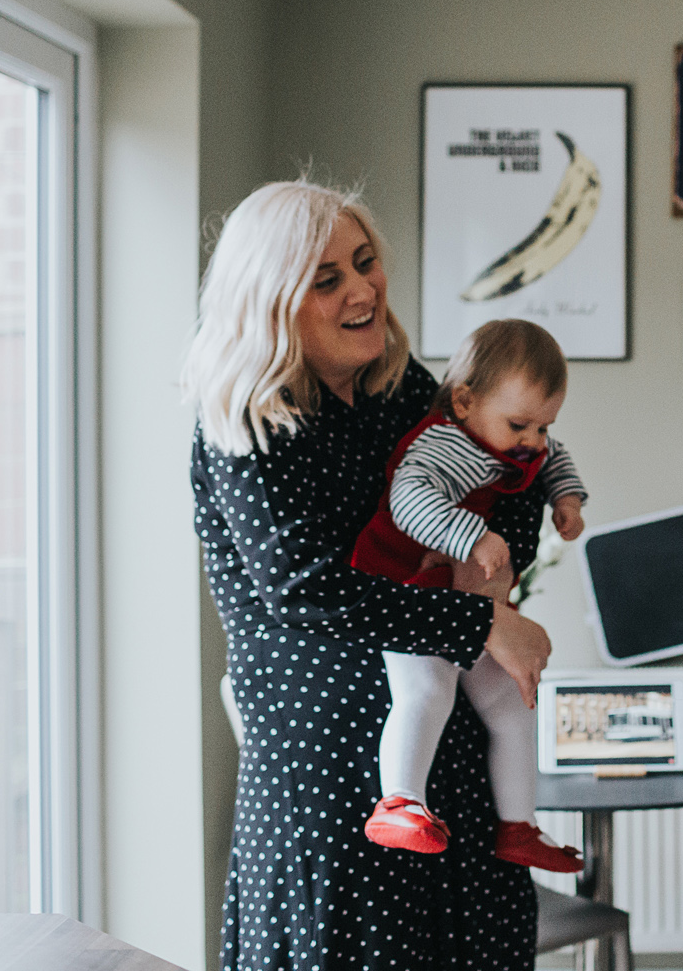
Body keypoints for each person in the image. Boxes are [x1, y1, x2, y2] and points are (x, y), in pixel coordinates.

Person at [185, 179, 554, 971]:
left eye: (364, 263)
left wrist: (499, 546)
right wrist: (483, 621)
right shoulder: (251, 423)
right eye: (327, 280)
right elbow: (304, 587)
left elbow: (502, 476)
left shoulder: (404, 389)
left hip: (451, 771)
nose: (363, 290)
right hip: (329, 786)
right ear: (271, 301)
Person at [350, 319, 587, 872]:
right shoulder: (442, 444)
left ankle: (517, 826)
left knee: (512, 703)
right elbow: (407, 502)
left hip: (474, 604)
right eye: (521, 425)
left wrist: (567, 499)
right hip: (412, 594)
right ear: (463, 401)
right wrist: (470, 536)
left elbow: (557, 459)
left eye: (543, 426)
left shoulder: (519, 439)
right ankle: (399, 802)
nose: (533, 442)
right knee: (426, 691)